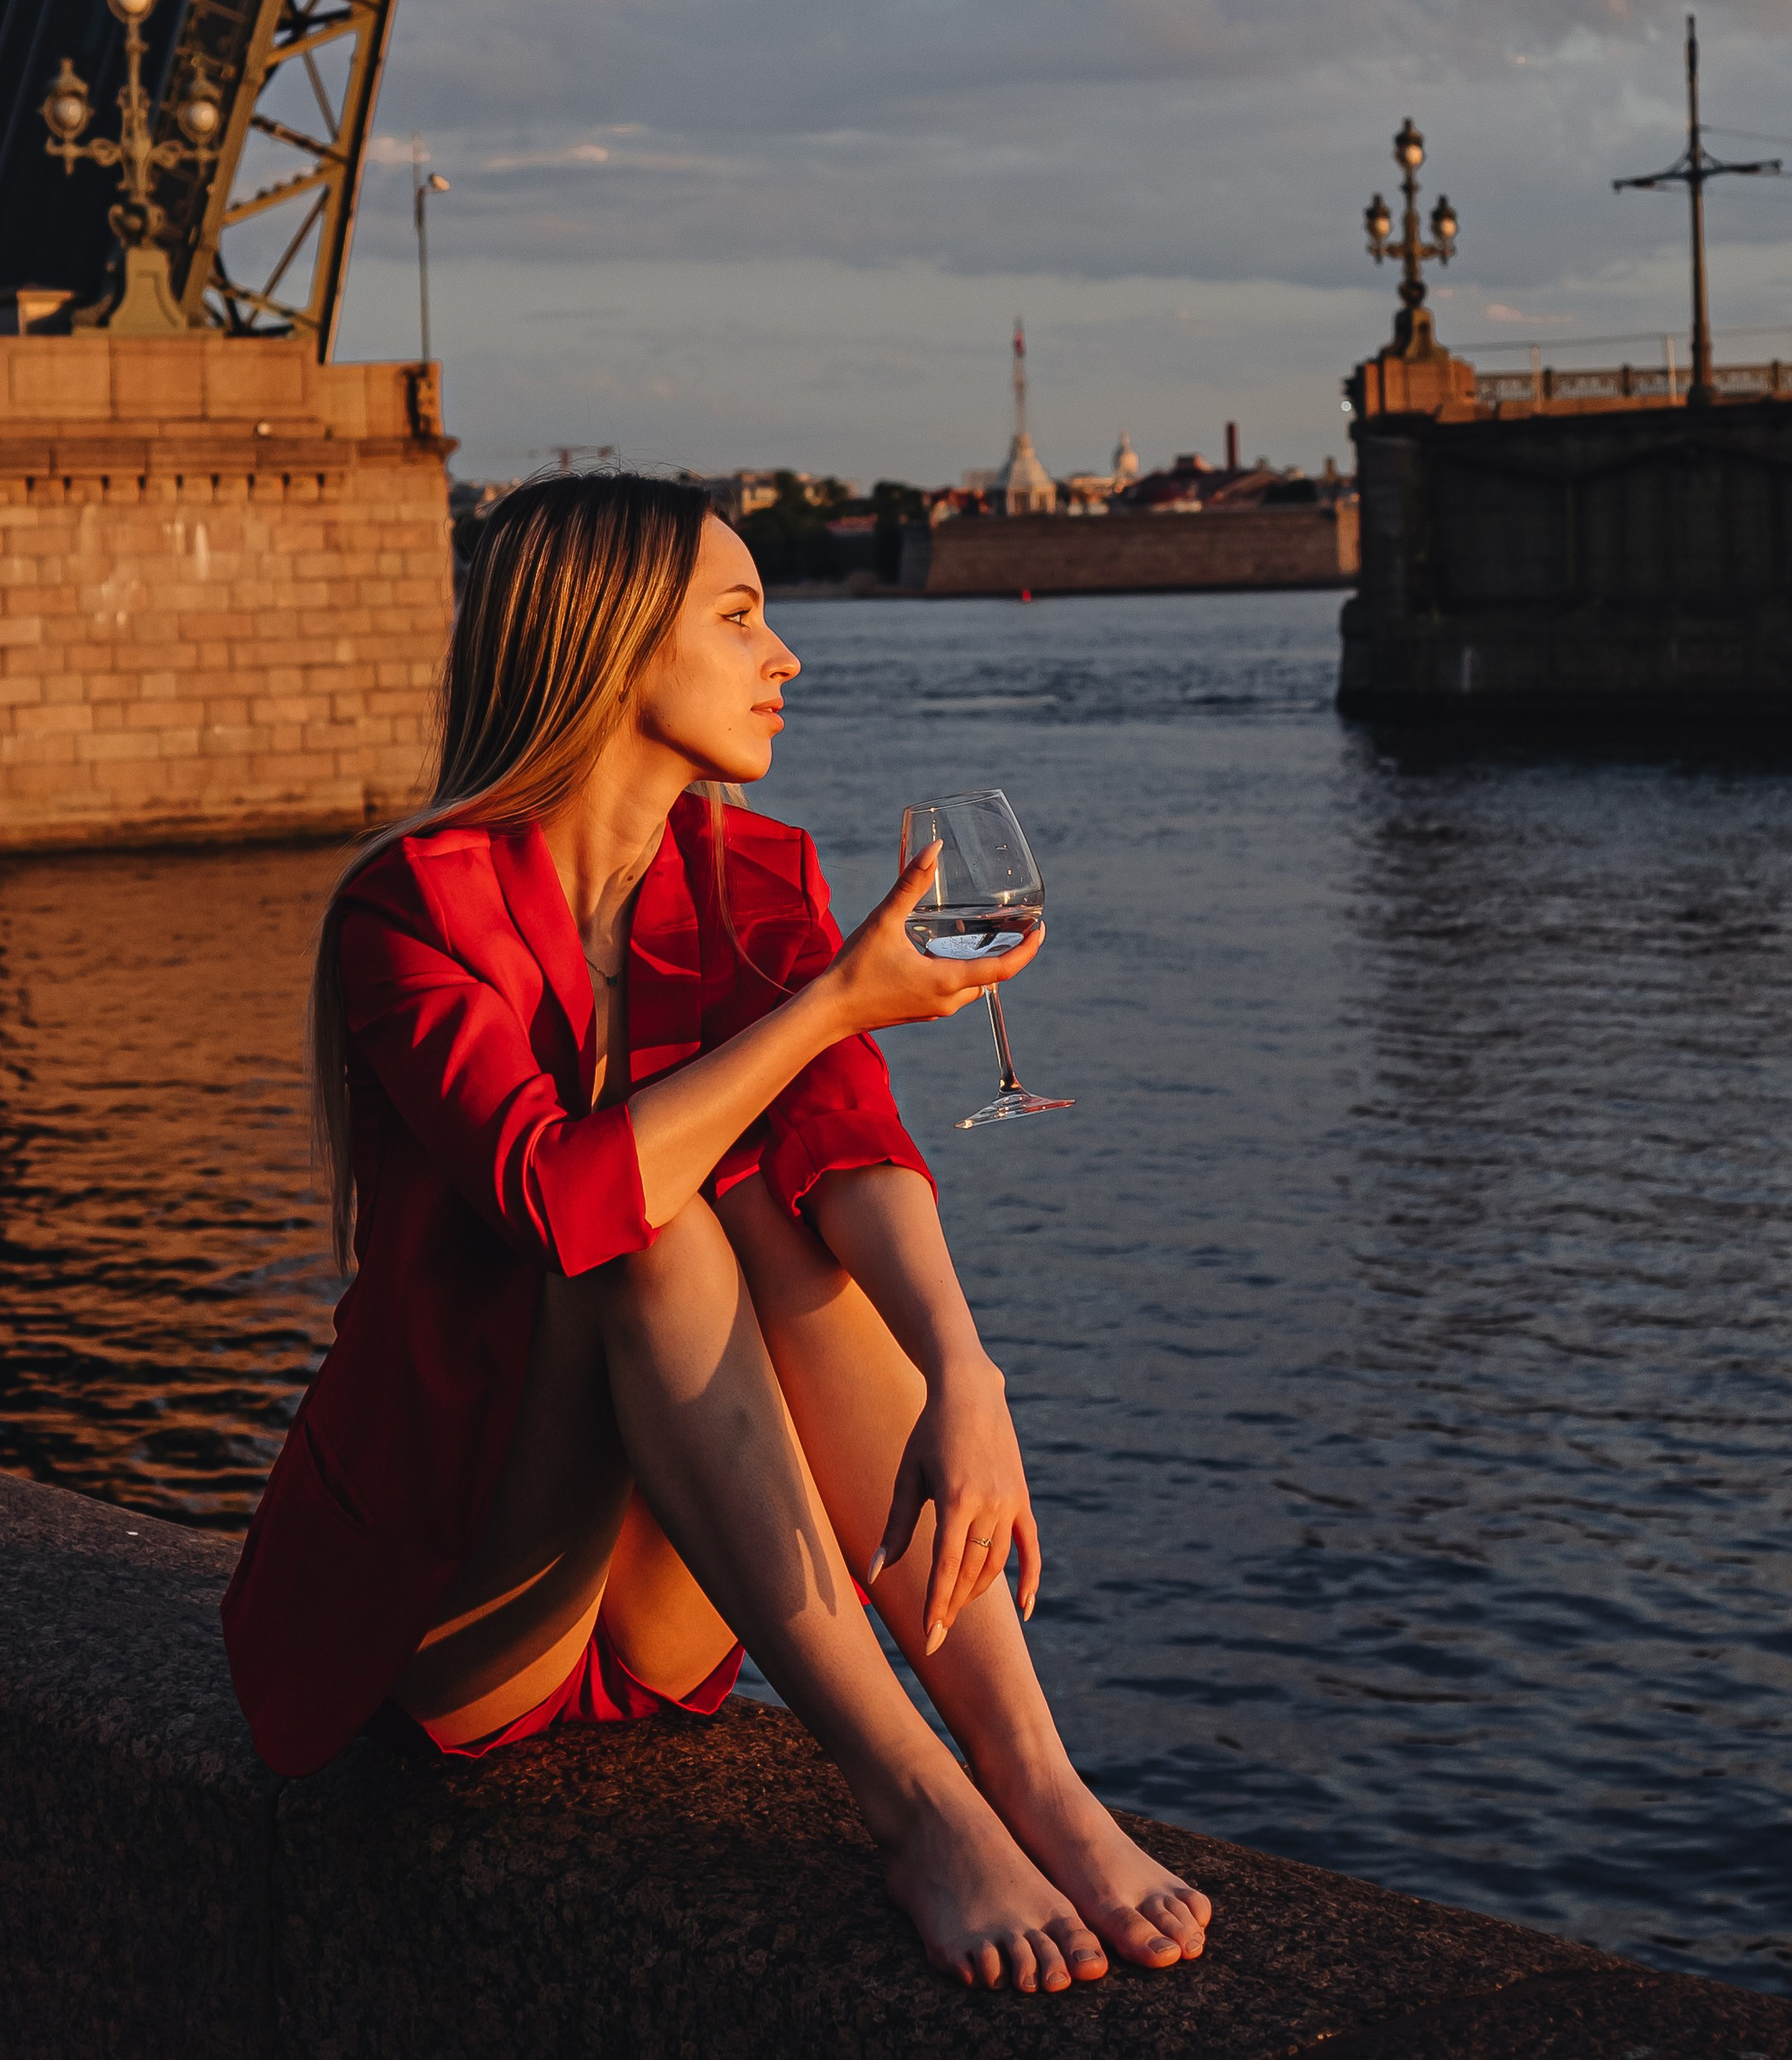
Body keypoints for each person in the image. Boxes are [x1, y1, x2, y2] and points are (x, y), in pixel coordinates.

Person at [222, 472, 1210, 1994]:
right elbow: (552, 1196)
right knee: (657, 1231)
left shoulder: (748, 877)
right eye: (741, 617)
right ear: (611, 651)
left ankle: (1040, 1785)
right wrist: (833, 1001)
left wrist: (969, 1374)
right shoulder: (412, 909)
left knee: (774, 1209)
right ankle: (918, 1807)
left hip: (678, 1603)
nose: (786, 658)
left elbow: (852, 1147)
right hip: (471, 1600)